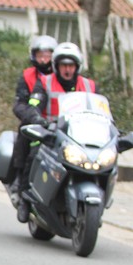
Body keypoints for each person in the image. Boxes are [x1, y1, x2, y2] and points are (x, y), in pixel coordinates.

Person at [18, 42, 98, 222]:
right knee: (34, 153)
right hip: (51, 135)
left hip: (80, 137)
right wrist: (38, 119)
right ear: (57, 66)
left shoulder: (89, 86)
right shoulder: (45, 82)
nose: (67, 70)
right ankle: (25, 198)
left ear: (77, 67)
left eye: (71, 65)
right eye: (64, 65)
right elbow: (33, 105)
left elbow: (102, 110)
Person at [12, 35, 58, 222]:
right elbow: (20, 104)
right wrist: (34, 118)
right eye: (41, 56)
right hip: (36, 122)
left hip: (61, 126)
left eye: (48, 56)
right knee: (26, 137)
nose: (44, 60)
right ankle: (22, 189)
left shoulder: (62, 75)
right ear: (33, 56)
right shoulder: (28, 76)